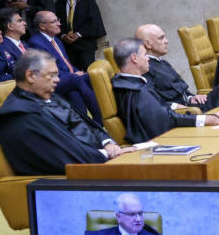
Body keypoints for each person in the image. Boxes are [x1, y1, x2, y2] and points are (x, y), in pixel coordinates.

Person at [0, 50, 131, 174]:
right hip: (76, 179)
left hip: (98, 161)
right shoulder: (19, 116)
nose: (57, 80)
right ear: (30, 76)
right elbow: (64, 159)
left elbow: (88, 126)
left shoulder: (49, 96)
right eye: (52, 75)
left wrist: (107, 143)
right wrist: (106, 154)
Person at [111, 38, 219, 144]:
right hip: (160, 142)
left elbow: (161, 110)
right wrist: (205, 119)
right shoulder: (137, 90)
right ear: (134, 58)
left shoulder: (126, 84)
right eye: (145, 55)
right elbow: (166, 120)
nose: (148, 59)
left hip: (168, 132)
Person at [135, 23, 219, 109]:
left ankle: (216, 115)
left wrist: (191, 98)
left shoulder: (162, 62)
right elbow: (154, 101)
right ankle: (214, 117)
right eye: (161, 38)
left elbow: (180, 90)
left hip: (191, 105)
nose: (166, 41)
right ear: (148, 44)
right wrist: (176, 106)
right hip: (182, 113)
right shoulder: (145, 68)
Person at [26, 10, 102, 122]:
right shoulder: (36, 42)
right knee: (76, 79)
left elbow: (66, 63)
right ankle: (100, 119)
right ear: (42, 26)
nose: (59, 24)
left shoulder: (56, 39)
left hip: (68, 79)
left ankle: (87, 124)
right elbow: (48, 70)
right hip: (52, 82)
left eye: (58, 20)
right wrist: (74, 75)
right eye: (54, 22)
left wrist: (77, 72)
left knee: (81, 86)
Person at [54, 0, 106, 71]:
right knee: (71, 73)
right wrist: (63, 35)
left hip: (85, 46)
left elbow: (95, 22)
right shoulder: (59, 2)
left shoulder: (88, 0)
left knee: (88, 73)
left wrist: (78, 34)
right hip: (66, 47)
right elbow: (54, 22)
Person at [0, 7, 27, 81]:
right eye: (19, 21)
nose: (24, 23)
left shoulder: (25, 44)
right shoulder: (2, 46)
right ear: (10, 26)